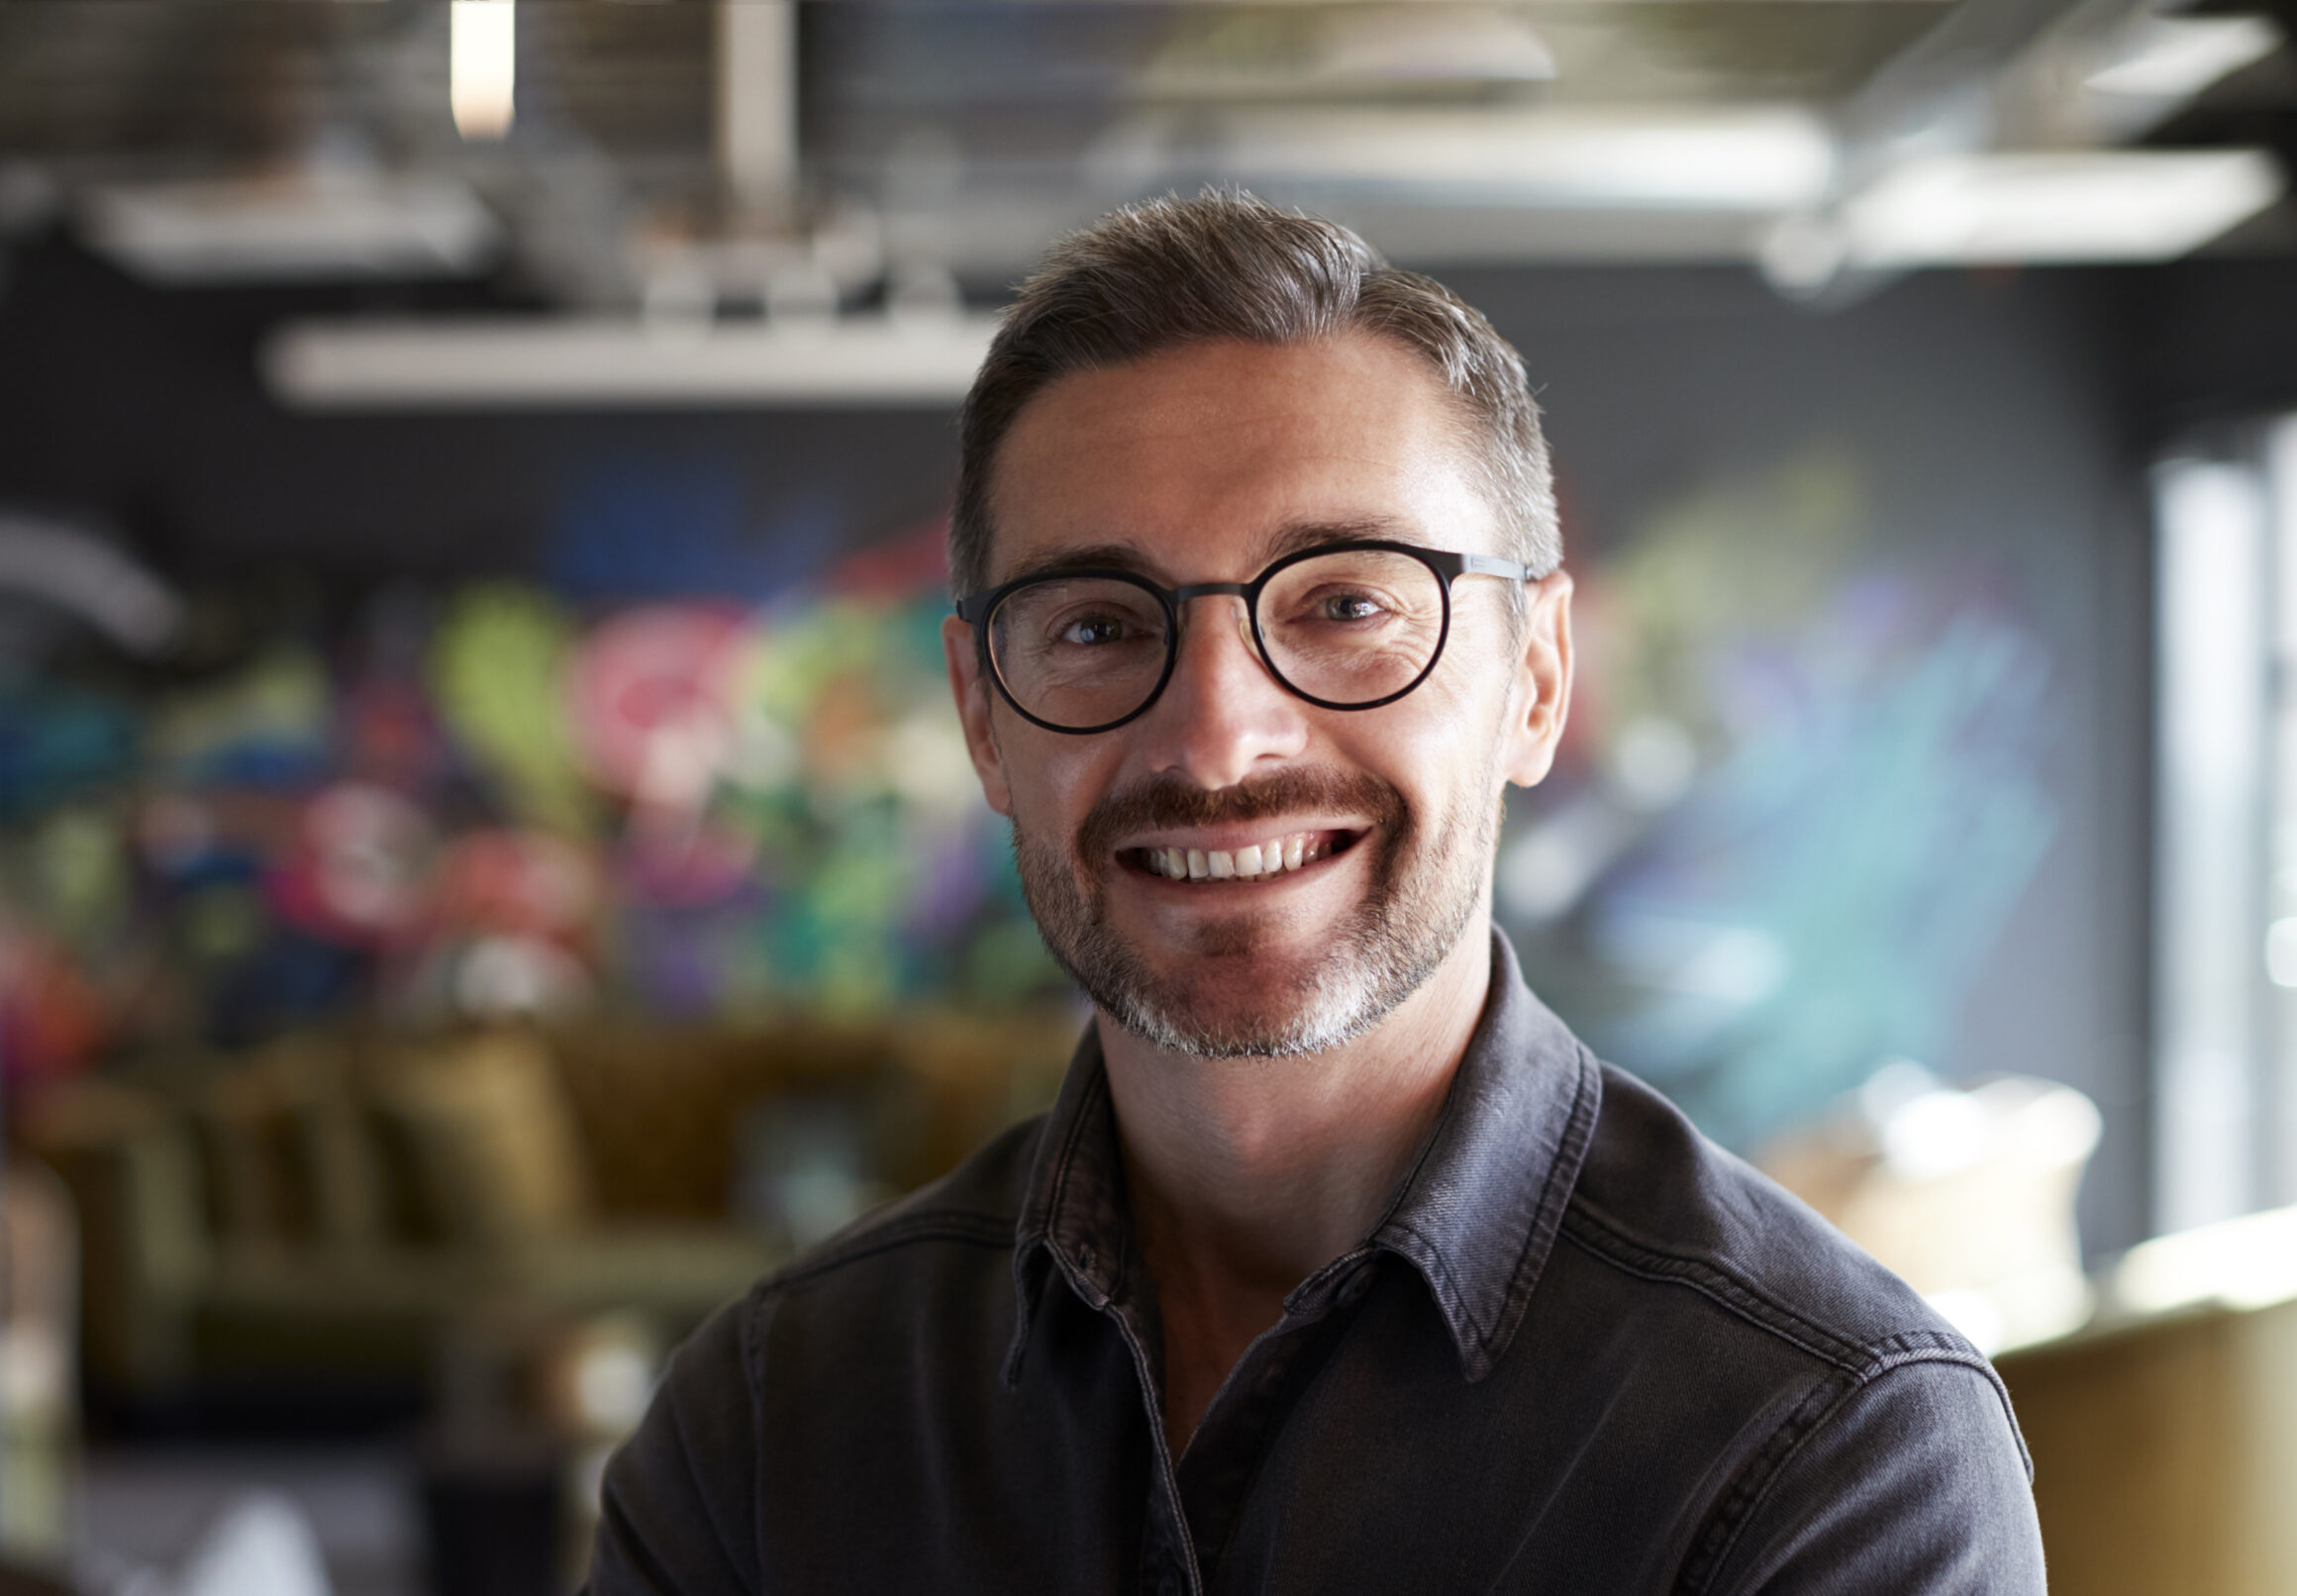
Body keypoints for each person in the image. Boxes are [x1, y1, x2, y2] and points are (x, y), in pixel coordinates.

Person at [590, 191, 2046, 1595]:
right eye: (1097, 626)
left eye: (1346, 604)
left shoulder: (1826, 1448)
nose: (1219, 739)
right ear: (983, 716)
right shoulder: (767, 1428)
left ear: (1537, 680)